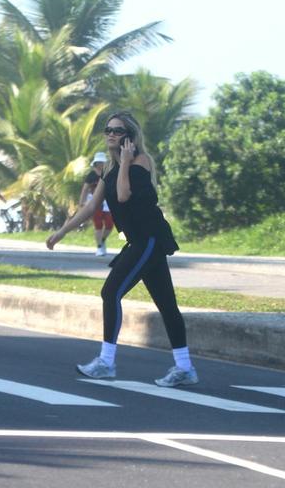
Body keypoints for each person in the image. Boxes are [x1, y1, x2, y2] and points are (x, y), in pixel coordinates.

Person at [46, 111, 197, 388]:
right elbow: (91, 207)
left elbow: (125, 195)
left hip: (150, 240)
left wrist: (126, 162)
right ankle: (185, 368)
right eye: (108, 130)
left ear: (130, 136)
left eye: (117, 131)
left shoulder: (140, 162)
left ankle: (106, 362)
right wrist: (61, 231)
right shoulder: (111, 170)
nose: (111, 135)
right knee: (166, 305)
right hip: (139, 242)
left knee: (111, 292)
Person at [79, 152, 114, 256]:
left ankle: (102, 240)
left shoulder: (109, 173)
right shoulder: (91, 175)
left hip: (107, 202)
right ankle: (99, 247)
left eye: (102, 162)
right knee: (98, 224)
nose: (101, 164)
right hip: (94, 201)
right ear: (95, 163)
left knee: (109, 224)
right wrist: (82, 202)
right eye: (99, 162)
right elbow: (85, 189)